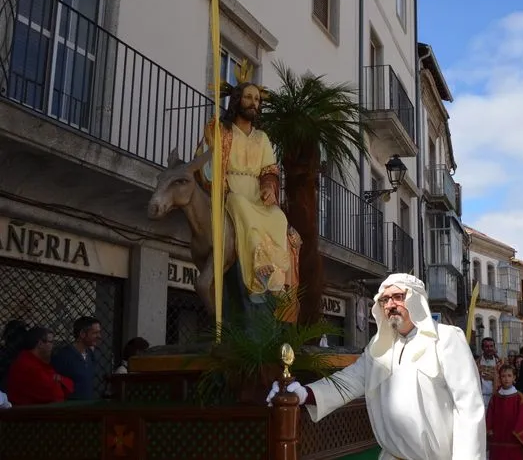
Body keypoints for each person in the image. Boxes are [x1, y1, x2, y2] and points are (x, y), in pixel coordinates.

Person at [265, 273, 485, 459]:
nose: (390, 305)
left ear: (416, 300)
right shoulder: (378, 348)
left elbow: (469, 409)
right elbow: (349, 381)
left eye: (397, 297)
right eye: (384, 300)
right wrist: (304, 393)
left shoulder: (446, 339)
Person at [198, 77, 300, 321]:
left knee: (278, 217)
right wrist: (212, 141)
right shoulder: (222, 131)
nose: (254, 103)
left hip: (257, 193)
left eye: (257, 99)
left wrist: (268, 188)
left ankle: (276, 275)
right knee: (239, 205)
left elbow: (270, 170)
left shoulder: (262, 138)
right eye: (248, 98)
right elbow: (205, 163)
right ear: (236, 101)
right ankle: (258, 271)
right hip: (231, 189)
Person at [486, 364, 523, 459]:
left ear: (514, 378)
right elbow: (490, 415)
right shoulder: (495, 397)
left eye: (509, 376)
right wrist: (489, 429)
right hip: (498, 439)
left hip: (514, 439)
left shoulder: (519, 398)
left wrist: (521, 432)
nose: (506, 379)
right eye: (503, 376)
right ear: (500, 378)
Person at [6, 326, 74, 405]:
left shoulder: (36, 362)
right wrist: (59, 382)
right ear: (40, 344)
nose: (53, 346)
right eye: (51, 342)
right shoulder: (27, 365)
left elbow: (69, 385)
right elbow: (55, 394)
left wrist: (59, 381)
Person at [51, 316, 100, 401]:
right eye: (95, 333)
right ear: (82, 334)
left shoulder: (90, 355)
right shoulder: (64, 356)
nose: (99, 336)